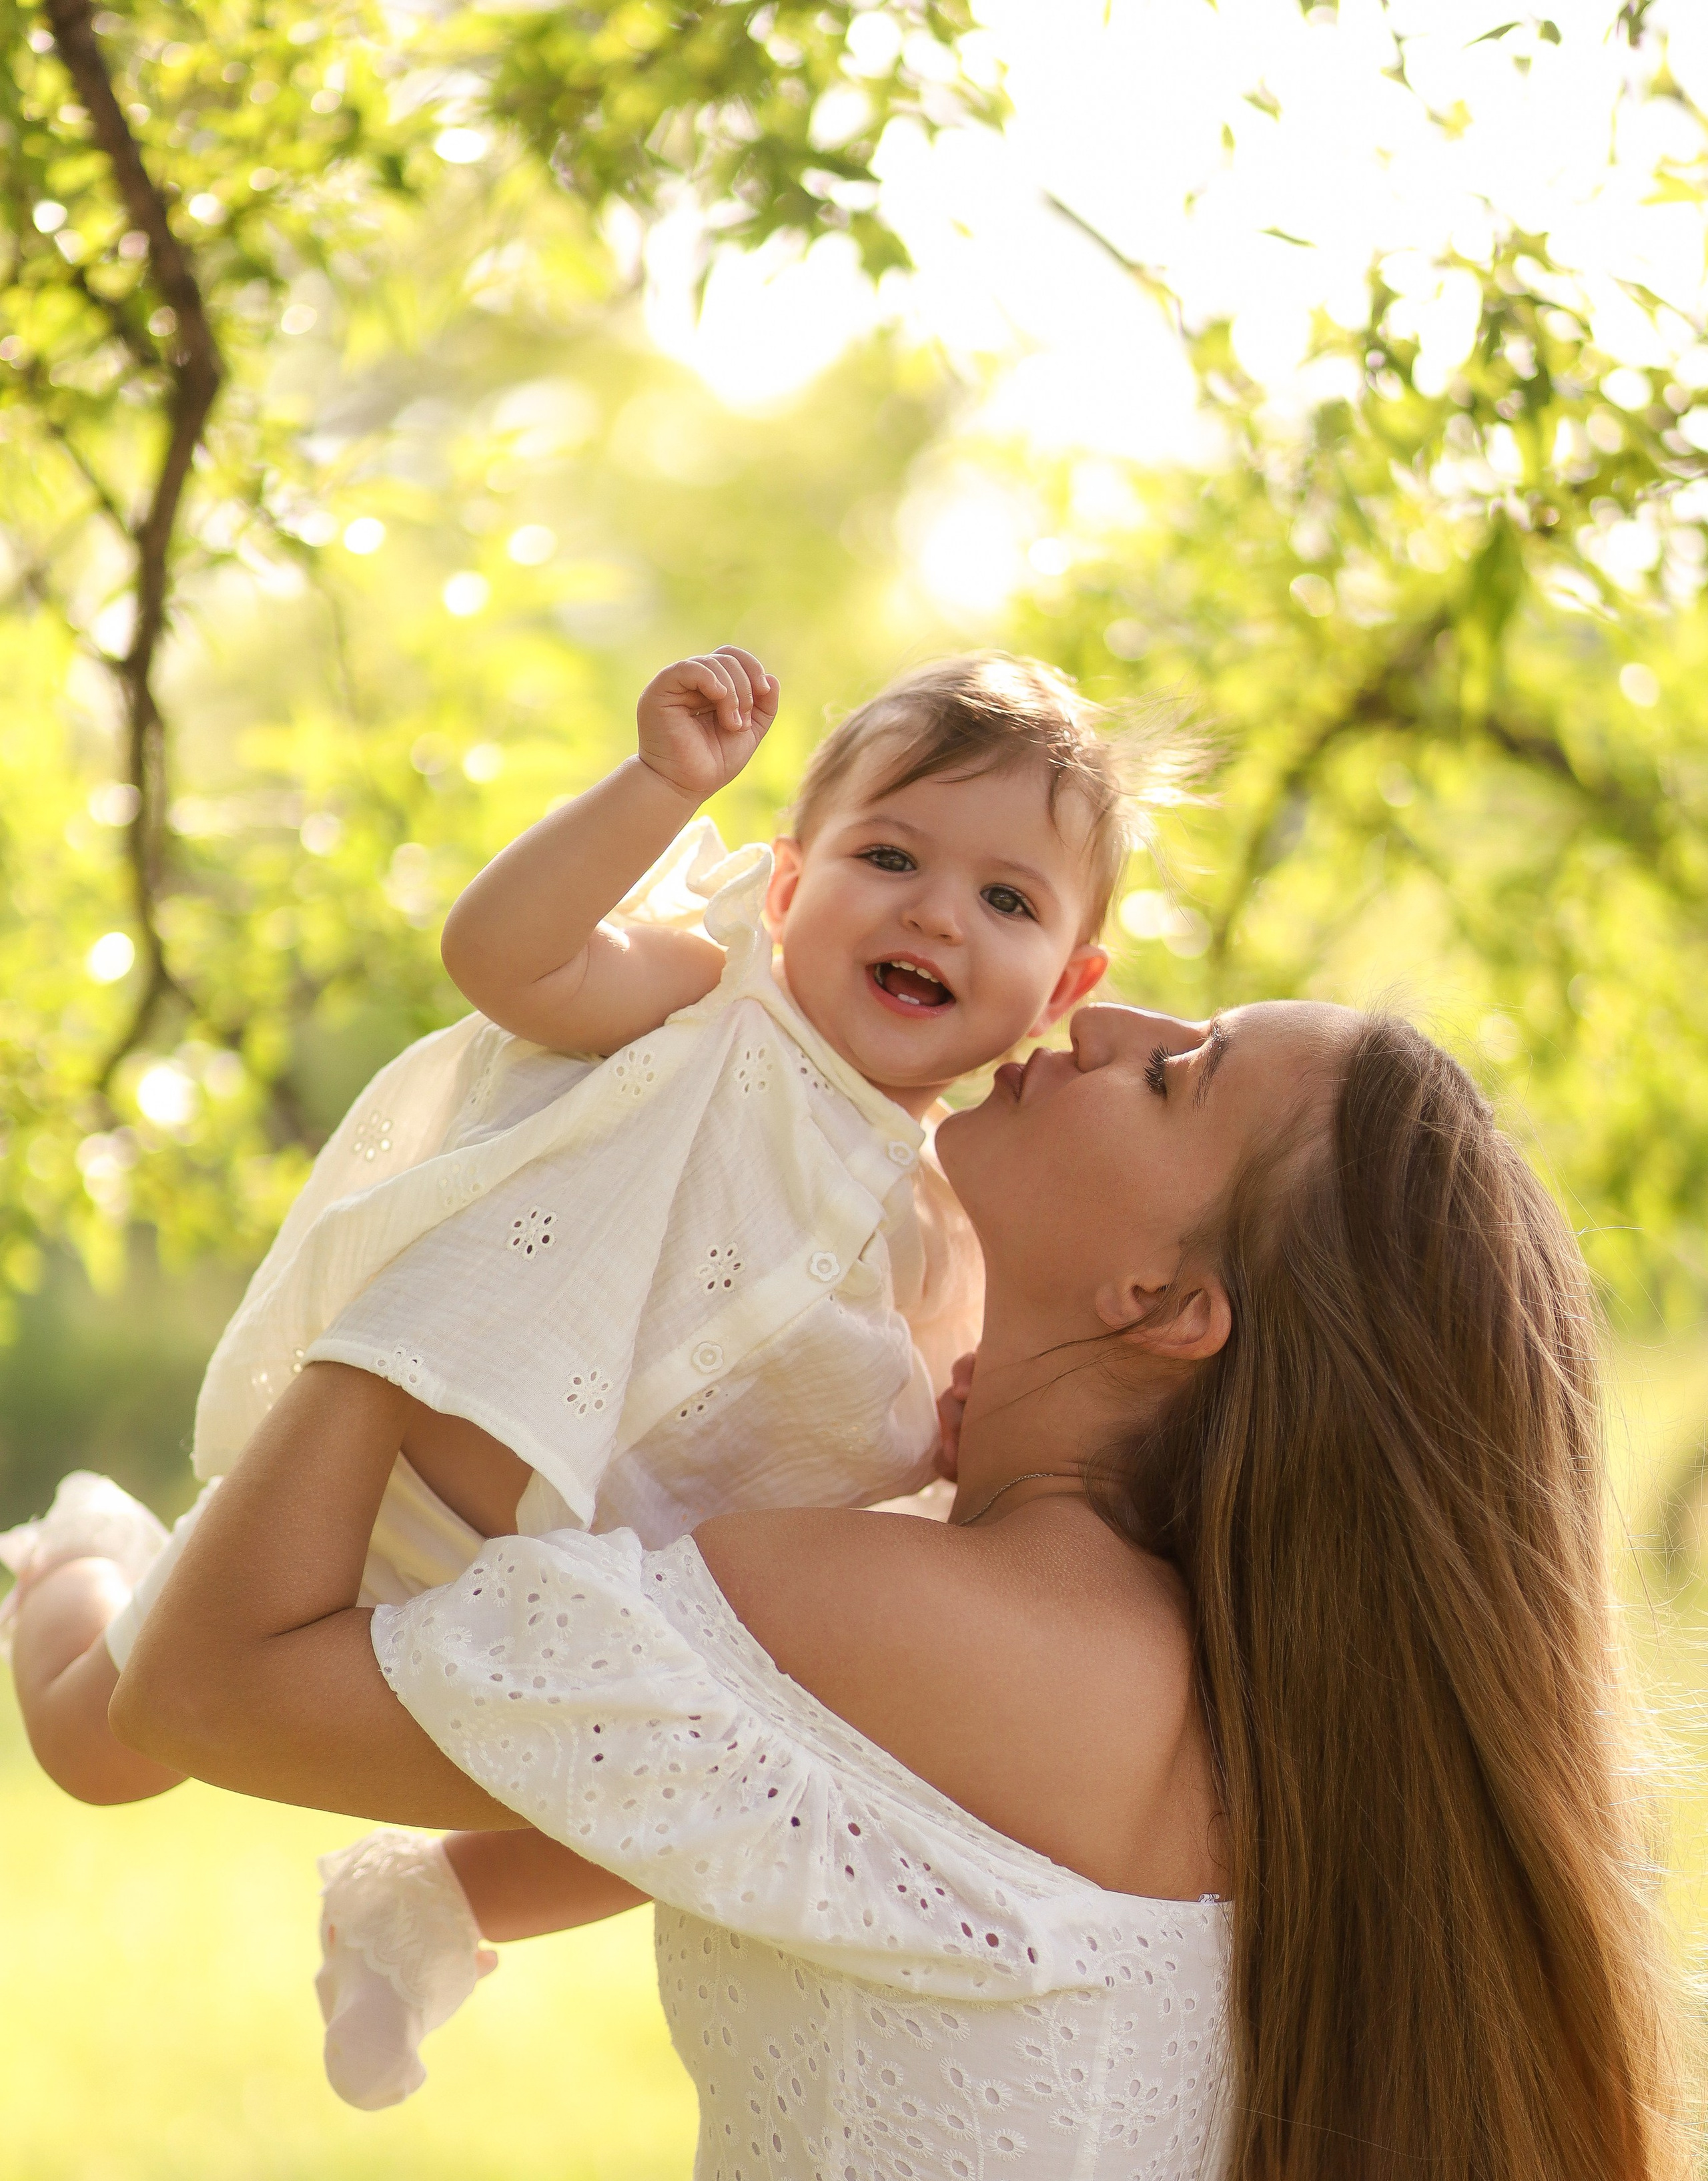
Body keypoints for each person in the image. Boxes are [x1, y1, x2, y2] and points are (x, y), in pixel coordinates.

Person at [21, 996, 1699, 2181]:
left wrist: (470, 1255)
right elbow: (704, 1808)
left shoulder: (914, 1621)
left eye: (1177, 1072)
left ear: (1170, 1308)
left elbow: (206, 1693)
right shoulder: (1181, 1666)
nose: (1103, 1017)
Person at [5, 644, 1198, 2106]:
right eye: (887, 856)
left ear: (1064, 985)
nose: (935, 912)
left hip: (585, 1600)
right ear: (786, 886)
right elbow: (505, 957)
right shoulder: (708, 999)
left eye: (1005, 901)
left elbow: (896, 1454)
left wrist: (949, 1437)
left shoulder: (952, 1225)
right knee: (96, 1748)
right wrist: (651, 789)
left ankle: (420, 1917)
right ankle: (76, 1556)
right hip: (394, 1493)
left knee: (689, 1790)